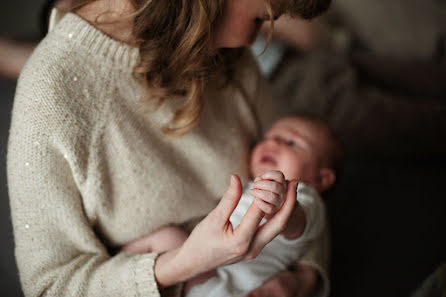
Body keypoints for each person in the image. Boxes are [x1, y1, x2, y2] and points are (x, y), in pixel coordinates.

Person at [7, 1, 331, 297]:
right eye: (261, 18)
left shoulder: (222, 48)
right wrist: (181, 264)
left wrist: (301, 278)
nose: (251, 41)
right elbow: (51, 286)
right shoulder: (49, 95)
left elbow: (302, 184)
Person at [123, 116, 341, 297]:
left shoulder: (305, 196)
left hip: (244, 288)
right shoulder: (248, 186)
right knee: (167, 236)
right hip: (206, 277)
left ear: (321, 179)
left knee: (167, 237)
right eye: (267, 137)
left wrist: (283, 207)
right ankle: (119, 265)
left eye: (291, 142)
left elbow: (301, 225)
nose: (271, 143)